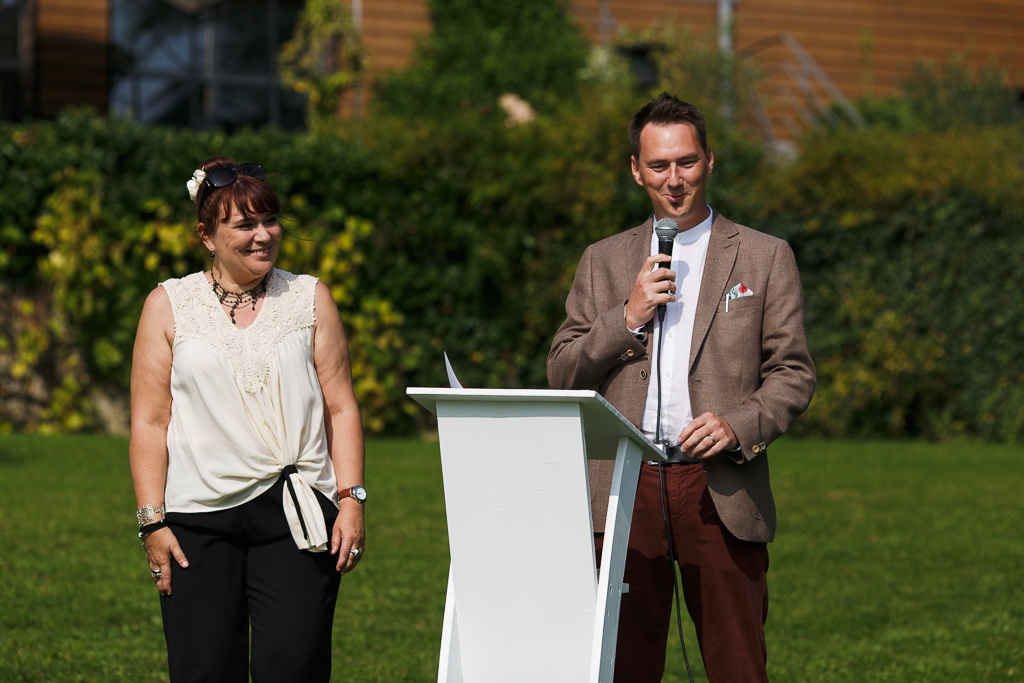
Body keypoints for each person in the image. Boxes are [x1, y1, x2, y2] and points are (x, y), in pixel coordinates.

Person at [547, 94, 815, 682]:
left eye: (686, 162)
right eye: (660, 165)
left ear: (710, 162)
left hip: (718, 484)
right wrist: (627, 315)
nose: (674, 180)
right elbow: (563, 371)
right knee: (622, 664)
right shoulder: (603, 260)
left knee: (736, 663)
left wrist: (737, 424)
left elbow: (793, 372)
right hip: (623, 483)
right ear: (637, 170)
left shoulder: (765, 256)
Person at [129, 157, 367, 682]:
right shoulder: (168, 305)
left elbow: (341, 407)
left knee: (294, 666)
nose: (264, 235)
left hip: (298, 514)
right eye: (245, 225)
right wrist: (153, 521)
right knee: (204, 670)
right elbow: (149, 422)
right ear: (207, 235)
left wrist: (350, 498)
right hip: (196, 520)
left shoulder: (309, 298)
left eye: (271, 220)